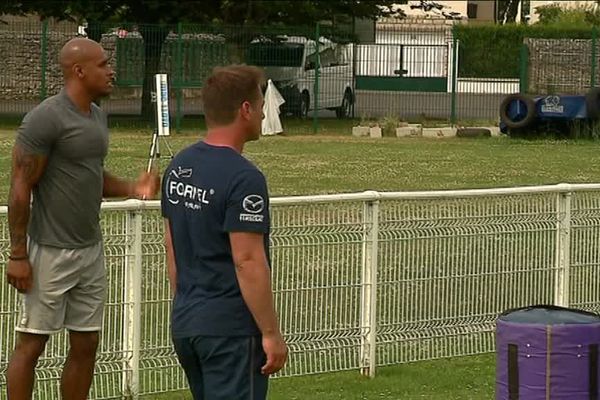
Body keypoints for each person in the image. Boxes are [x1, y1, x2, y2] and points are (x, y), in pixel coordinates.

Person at [5, 37, 160, 400]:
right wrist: (17, 255)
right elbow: (20, 186)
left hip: (90, 250)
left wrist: (132, 187)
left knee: (87, 343)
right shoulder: (45, 118)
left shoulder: (97, 115)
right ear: (79, 71)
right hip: (49, 252)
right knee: (32, 346)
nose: (112, 71)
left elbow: (89, 175)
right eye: (104, 64)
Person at [161, 65, 288, 400]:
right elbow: (247, 260)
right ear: (245, 109)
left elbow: (171, 245)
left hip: (188, 322)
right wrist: (271, 333)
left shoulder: (178, 167)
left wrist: (191, 306)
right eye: (261, 106)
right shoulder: (244, 178)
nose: (263, 114)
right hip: (230, 331)